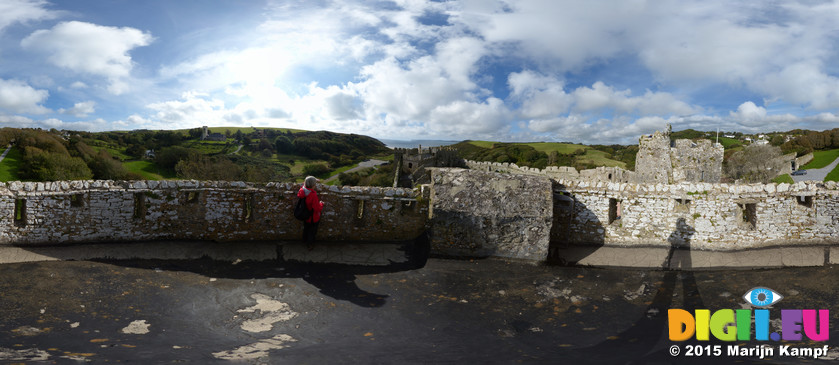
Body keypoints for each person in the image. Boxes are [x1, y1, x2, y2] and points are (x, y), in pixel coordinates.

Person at [298, 176, 324, 245]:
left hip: (305, 215)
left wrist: (313, 180)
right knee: (312, 232)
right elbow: (317, 208)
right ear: (313, 185)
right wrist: (321, 204)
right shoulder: (313, 194)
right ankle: (310, 245)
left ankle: (304, 241)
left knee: (306, 229)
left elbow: (305, 184)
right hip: (313, 217)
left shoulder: (302, 190)